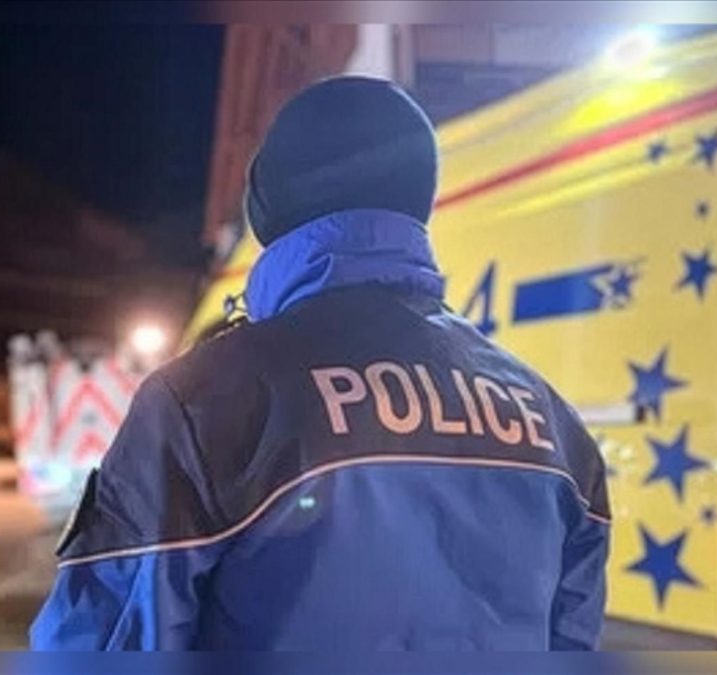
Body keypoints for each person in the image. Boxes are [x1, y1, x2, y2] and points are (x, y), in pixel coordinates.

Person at [30, 76, 610, 651]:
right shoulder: (555, 425)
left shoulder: (200, 405)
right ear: (419, 201)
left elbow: (99, 645)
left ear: (267, 207)